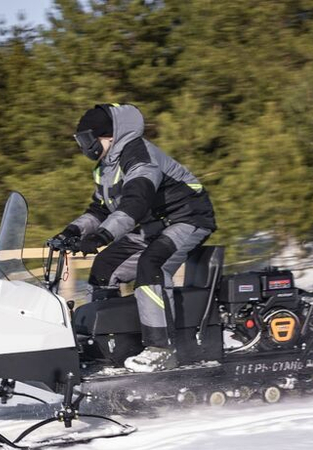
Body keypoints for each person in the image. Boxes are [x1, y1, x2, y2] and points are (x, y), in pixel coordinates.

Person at [56, 103, 217, 372]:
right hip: (154, 225)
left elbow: (135, 204)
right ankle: (111, 342)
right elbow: (99, 209)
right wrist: (72, 231)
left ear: (108, 136)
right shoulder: (105, 167)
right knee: (105, 268)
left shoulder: (138, 155)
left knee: (152, 266)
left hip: (187, 218)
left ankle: (161, 349)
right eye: (80, 140)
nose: (84, 146)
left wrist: (102, 236)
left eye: (87, 139)